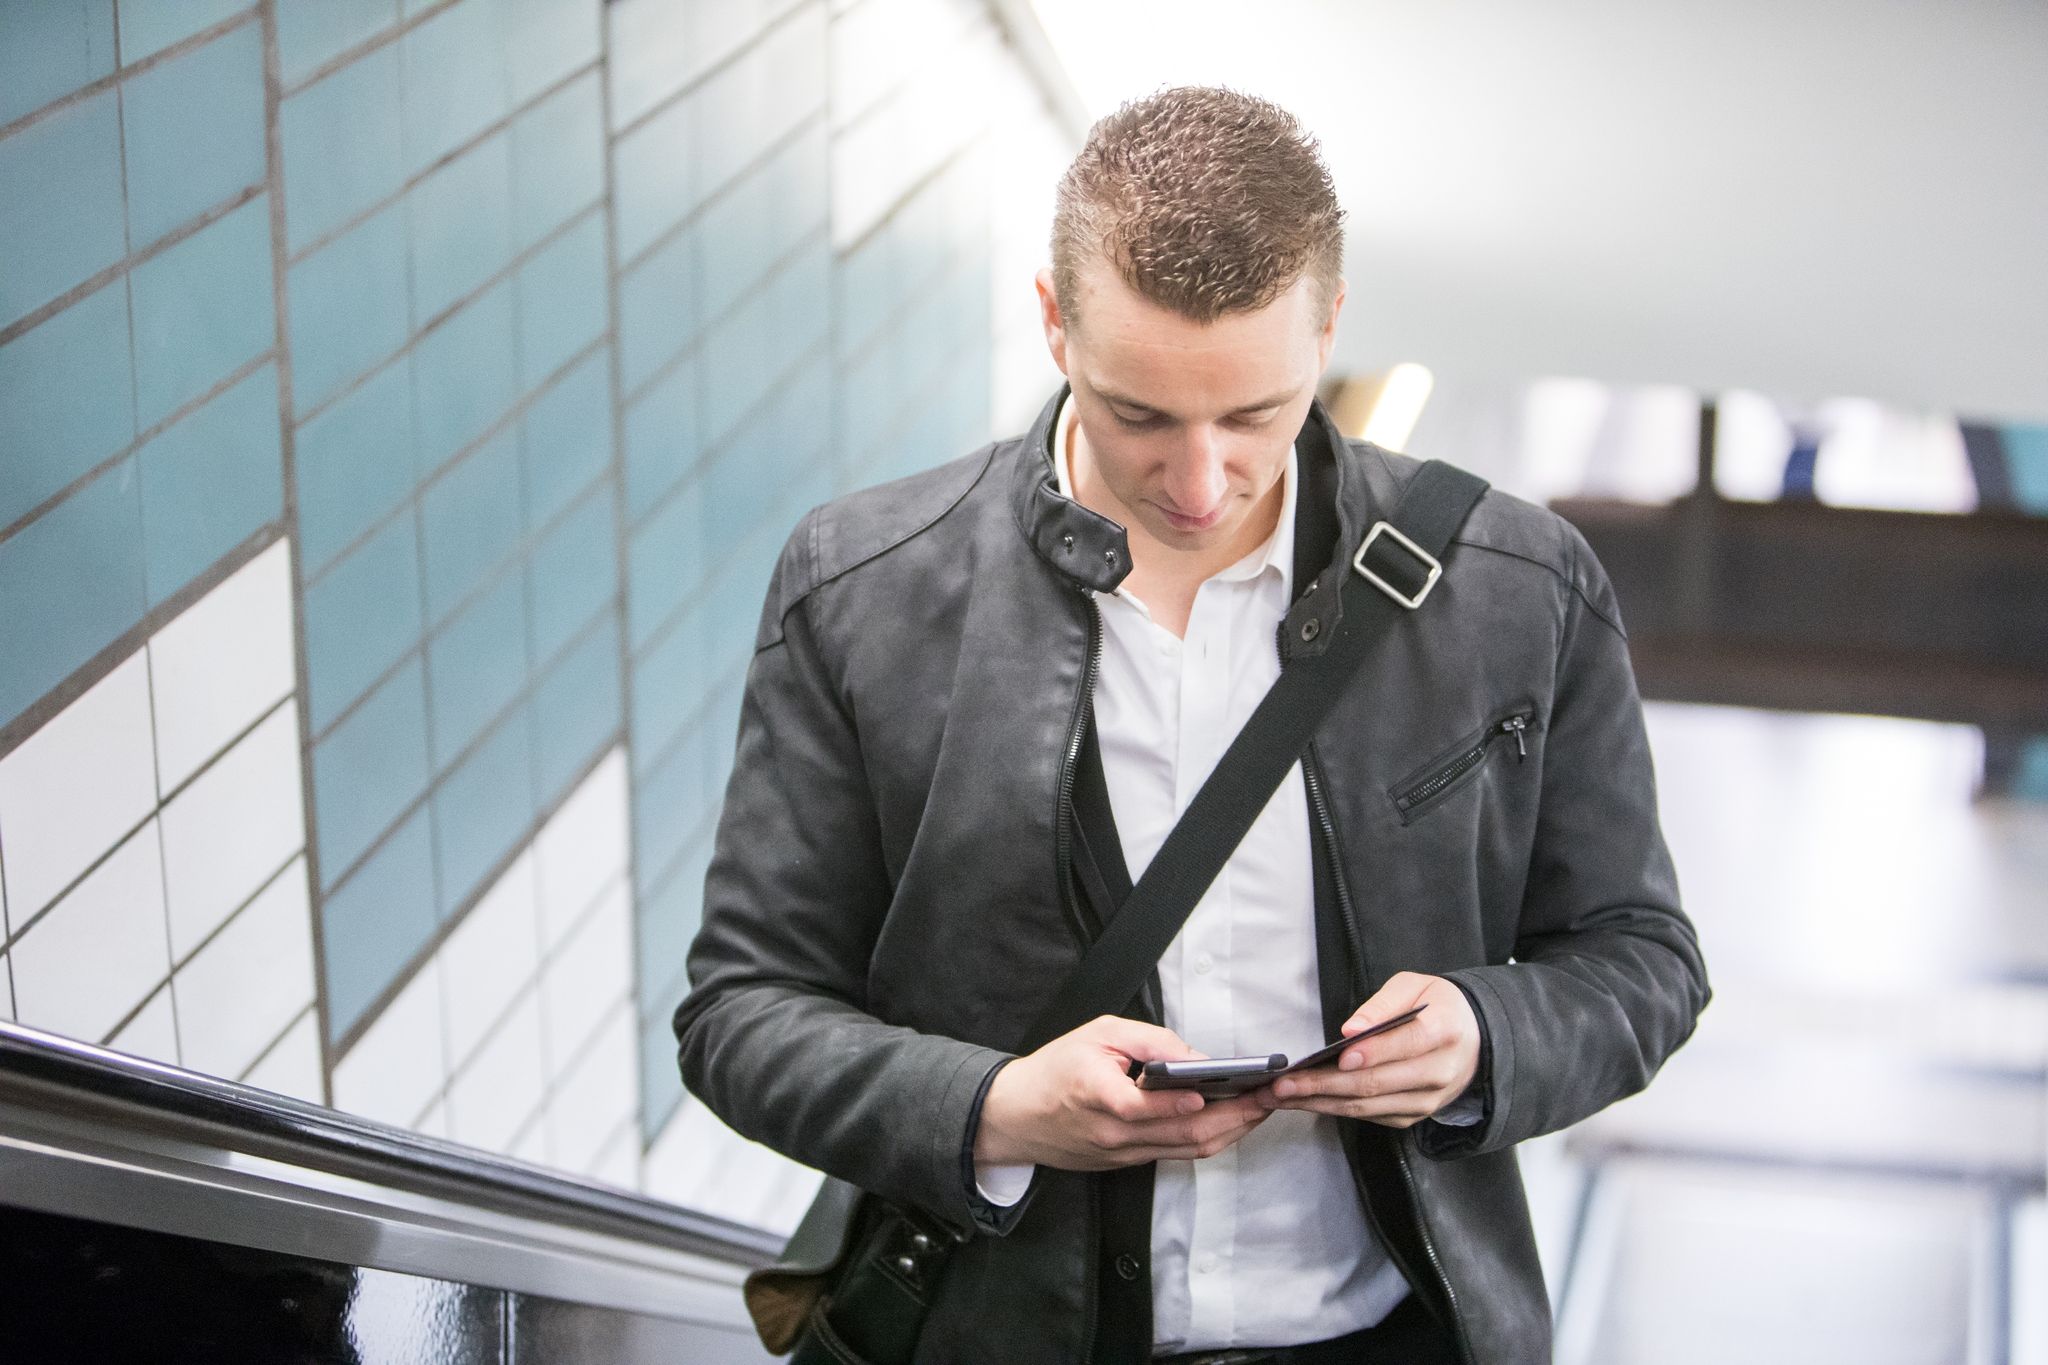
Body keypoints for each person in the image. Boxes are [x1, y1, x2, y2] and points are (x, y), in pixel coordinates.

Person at [674, 86, 1708, 1364]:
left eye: (1256, 416)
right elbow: (739, 1012)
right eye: (1140, 416)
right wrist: (994, 1108)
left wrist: (1486, 1036)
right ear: (1053, 325)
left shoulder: (1515, 587)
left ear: (1329, 327)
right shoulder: (861, 590)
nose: (1200, 483)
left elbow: (1640, 959)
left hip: (1390, 1337)